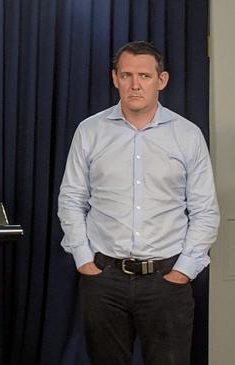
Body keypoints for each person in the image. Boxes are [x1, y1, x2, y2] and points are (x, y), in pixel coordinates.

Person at [58, 41, 219, 365]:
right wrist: (83, 259)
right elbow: (71, 199)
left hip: (167, 280)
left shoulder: (187, 135)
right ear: (114, 78)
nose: (135, 84)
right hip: (104, 279)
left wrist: (184, 270)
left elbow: (204, 210)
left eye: (144, 76)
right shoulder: (90, 131)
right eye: (127, 75)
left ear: (162, 80)